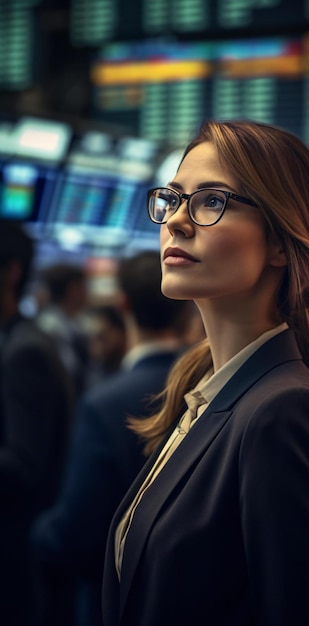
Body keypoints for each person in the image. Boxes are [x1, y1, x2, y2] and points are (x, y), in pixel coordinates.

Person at [102, 120, 309, 626]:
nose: (175, 221)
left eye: (211, 201)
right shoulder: (207, 396)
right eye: (172, 198)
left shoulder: (282, 410)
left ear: (281, 243)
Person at [30, 251, 191, 626]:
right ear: (187, 309)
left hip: (115, 599)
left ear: (123, 305)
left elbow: (74, 532)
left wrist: (34, 534)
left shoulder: (105, 403)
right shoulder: (210, 387)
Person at [0, 221, 73, 626]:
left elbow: (24, 465)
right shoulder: (16, 340)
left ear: (11, 271)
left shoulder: (26, 351)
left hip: (15, 555)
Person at [37, 262, 89, 401]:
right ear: (73, 289)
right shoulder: (50, 327)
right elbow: (69, 372)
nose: (87, 292)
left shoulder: (72, 323)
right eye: (84, 286)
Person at [85, 304, 126, 389]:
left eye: (101, 337)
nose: (94, 347)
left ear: (120, 333)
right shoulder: (92, 377)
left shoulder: (133, 370)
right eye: (92, 339)